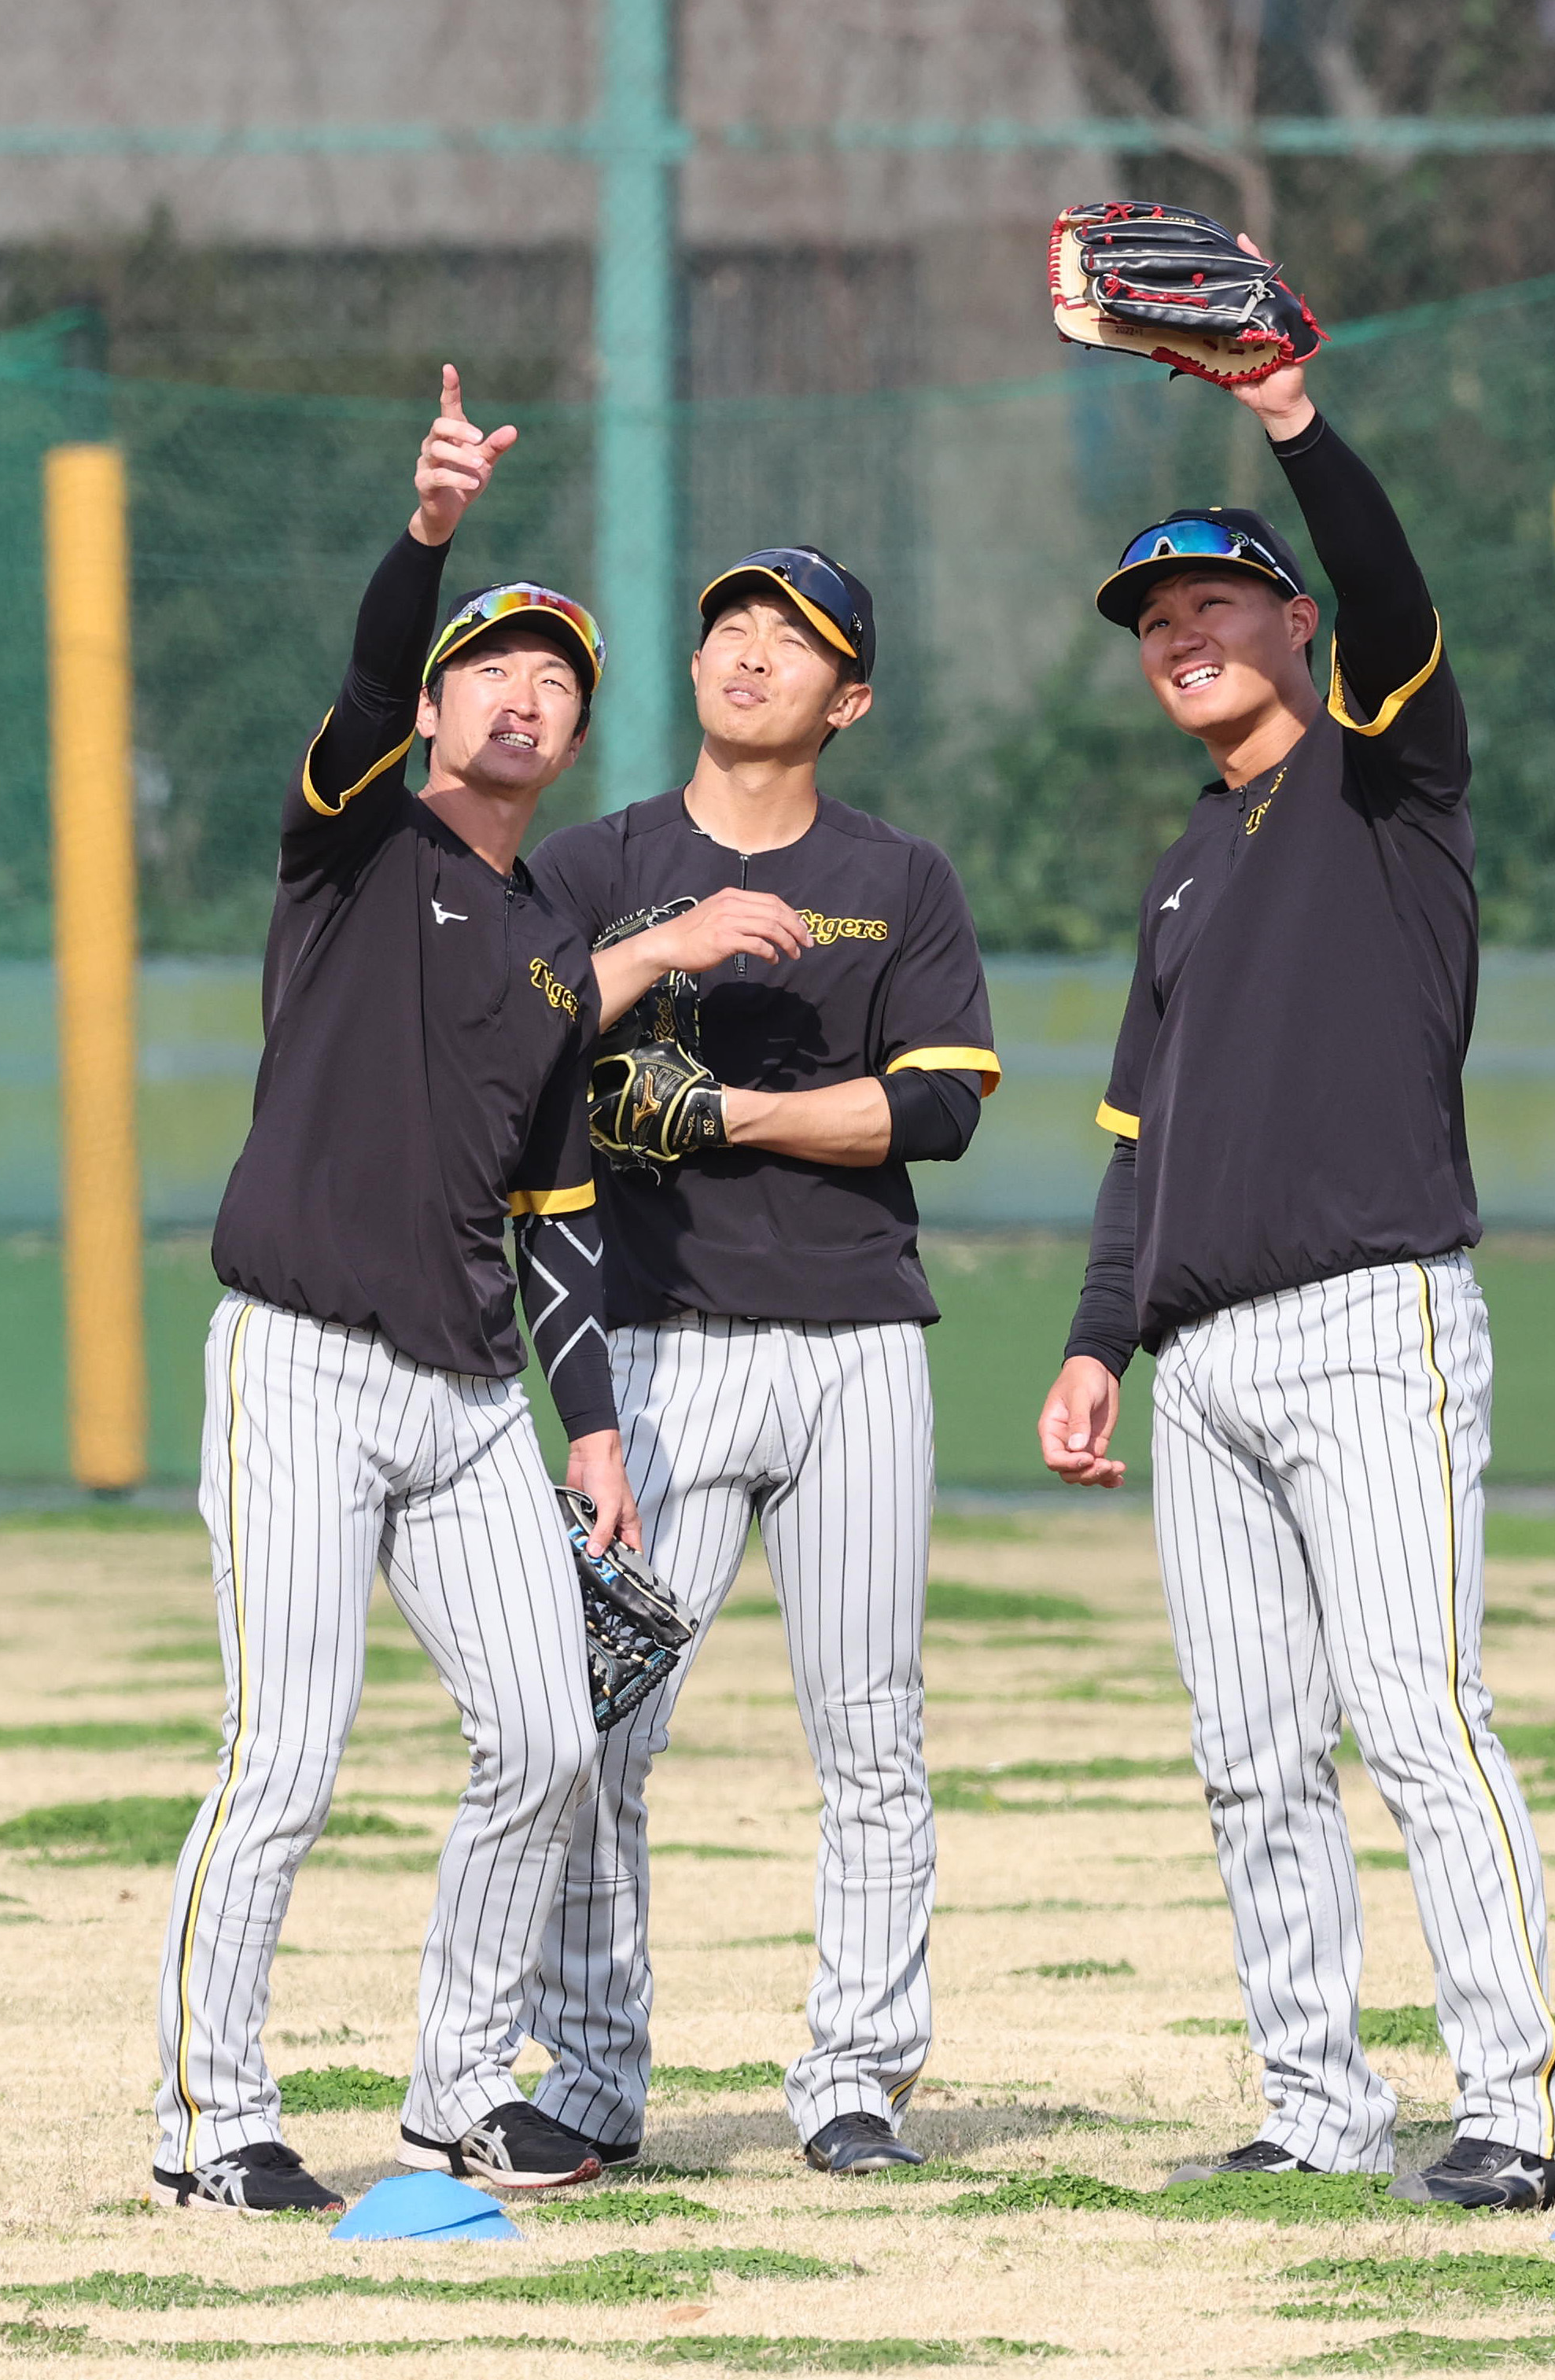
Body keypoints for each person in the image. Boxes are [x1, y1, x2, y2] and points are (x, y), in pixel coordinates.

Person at [1034, 282, 1555, 2212]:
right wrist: (1101, 1335)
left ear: (1299, 626)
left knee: (1420, 1719)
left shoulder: (1387, 783)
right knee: (1249, 1757)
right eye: (1150, 622)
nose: (1177, 634)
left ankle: (1518, 2106)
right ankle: (1315, 2103)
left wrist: (1284, 412)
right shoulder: (1184, 867)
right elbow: (1140, 1137)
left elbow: (1392, 584)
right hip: (1202, 1364)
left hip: (1372, 1322)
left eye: (1212, 604)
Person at [153, 368, 637, 2214]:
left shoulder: (546, 942)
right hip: (300, 1363)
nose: (524, 692)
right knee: (283, 1754)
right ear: (433, 706)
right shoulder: (355, 844)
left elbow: (549, 1202)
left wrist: (587, 1426)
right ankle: (211, 2122)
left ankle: (453, 2096)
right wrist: (430, 533)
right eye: (492, 667)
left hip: (462, 1401)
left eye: (559, 680)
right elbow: (361, 679)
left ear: (576, 732)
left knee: (544, 1732)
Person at [510, 547, 997, 2180]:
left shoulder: (898, 876)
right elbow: (510, 1041)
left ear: (844, 698)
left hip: (859, 1340)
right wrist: (653, 970)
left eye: (791, 639)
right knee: (599, 1724)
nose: (748, 649)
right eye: (729, 622)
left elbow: (932, 1107)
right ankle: (585, 2081)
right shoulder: (598, 860)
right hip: (654, 1344)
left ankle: (854, 2075)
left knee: (868, 1727)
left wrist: (722, 1116)